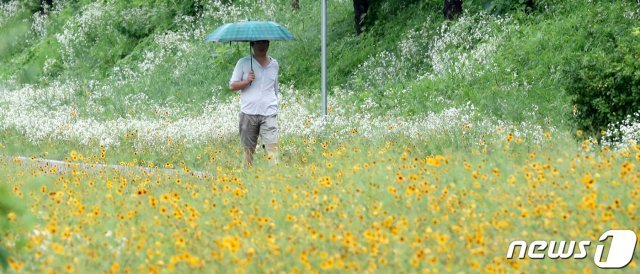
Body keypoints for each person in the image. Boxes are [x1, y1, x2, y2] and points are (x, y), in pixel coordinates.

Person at [229, 40, 279, 166]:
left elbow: (275, 87)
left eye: (264, 43)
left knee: (272, 148)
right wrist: (246, 81)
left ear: (268, 44)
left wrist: (275, 103)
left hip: (269, 112)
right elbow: (232, 85)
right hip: (248, 113)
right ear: (252, 45)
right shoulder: (243, 62)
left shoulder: (274, 64)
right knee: (248, 151)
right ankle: (248, 176)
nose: (261, 46)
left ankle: (275, 177)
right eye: (258, 43)